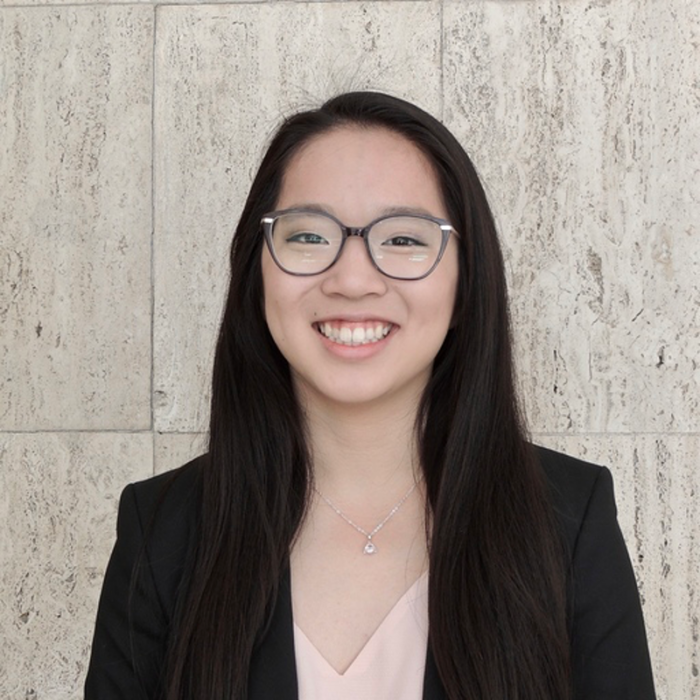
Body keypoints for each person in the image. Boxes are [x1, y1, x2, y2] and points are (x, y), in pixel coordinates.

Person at [84, 91, 656, 700]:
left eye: (404, 240)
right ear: (257, 272)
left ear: (466, 282)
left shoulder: (568, 520)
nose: (353, 280)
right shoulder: (163, 529)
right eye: (309, 236)